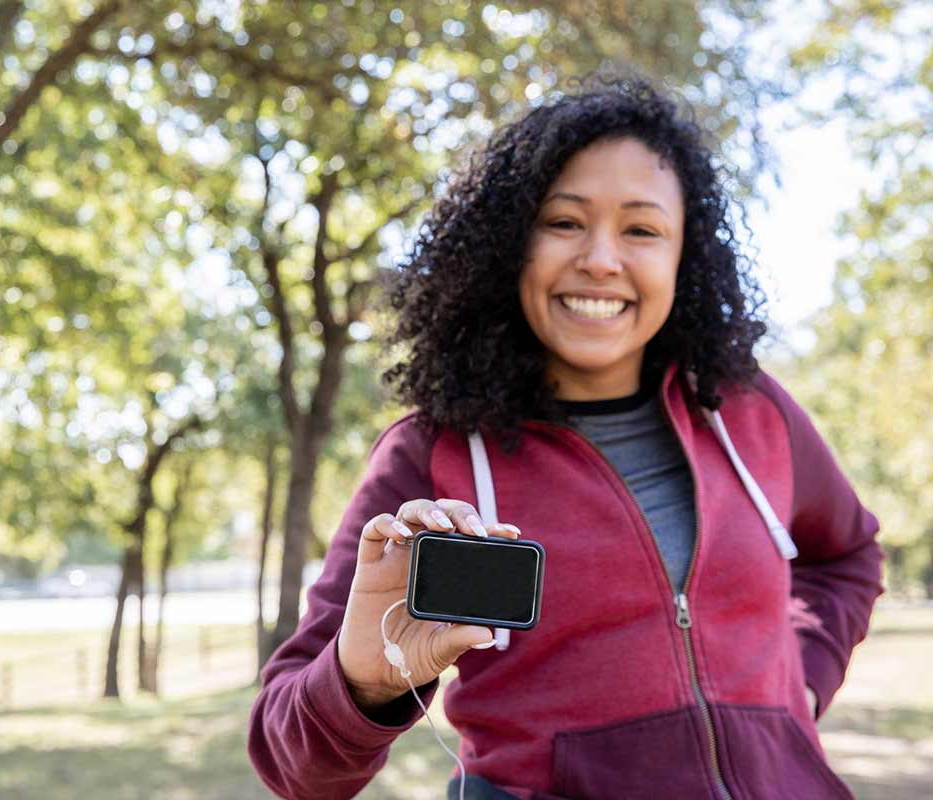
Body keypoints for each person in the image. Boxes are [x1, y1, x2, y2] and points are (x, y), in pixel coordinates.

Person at [246, 76, 884, 800]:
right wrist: (360, 679)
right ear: (507, 248)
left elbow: (847, 555)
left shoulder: (751, 410)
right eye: (563, 222)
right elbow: (292, 765)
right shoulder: (431, 454)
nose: (602, 259)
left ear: (686, 257)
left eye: (642, 229)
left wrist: (793, 694)